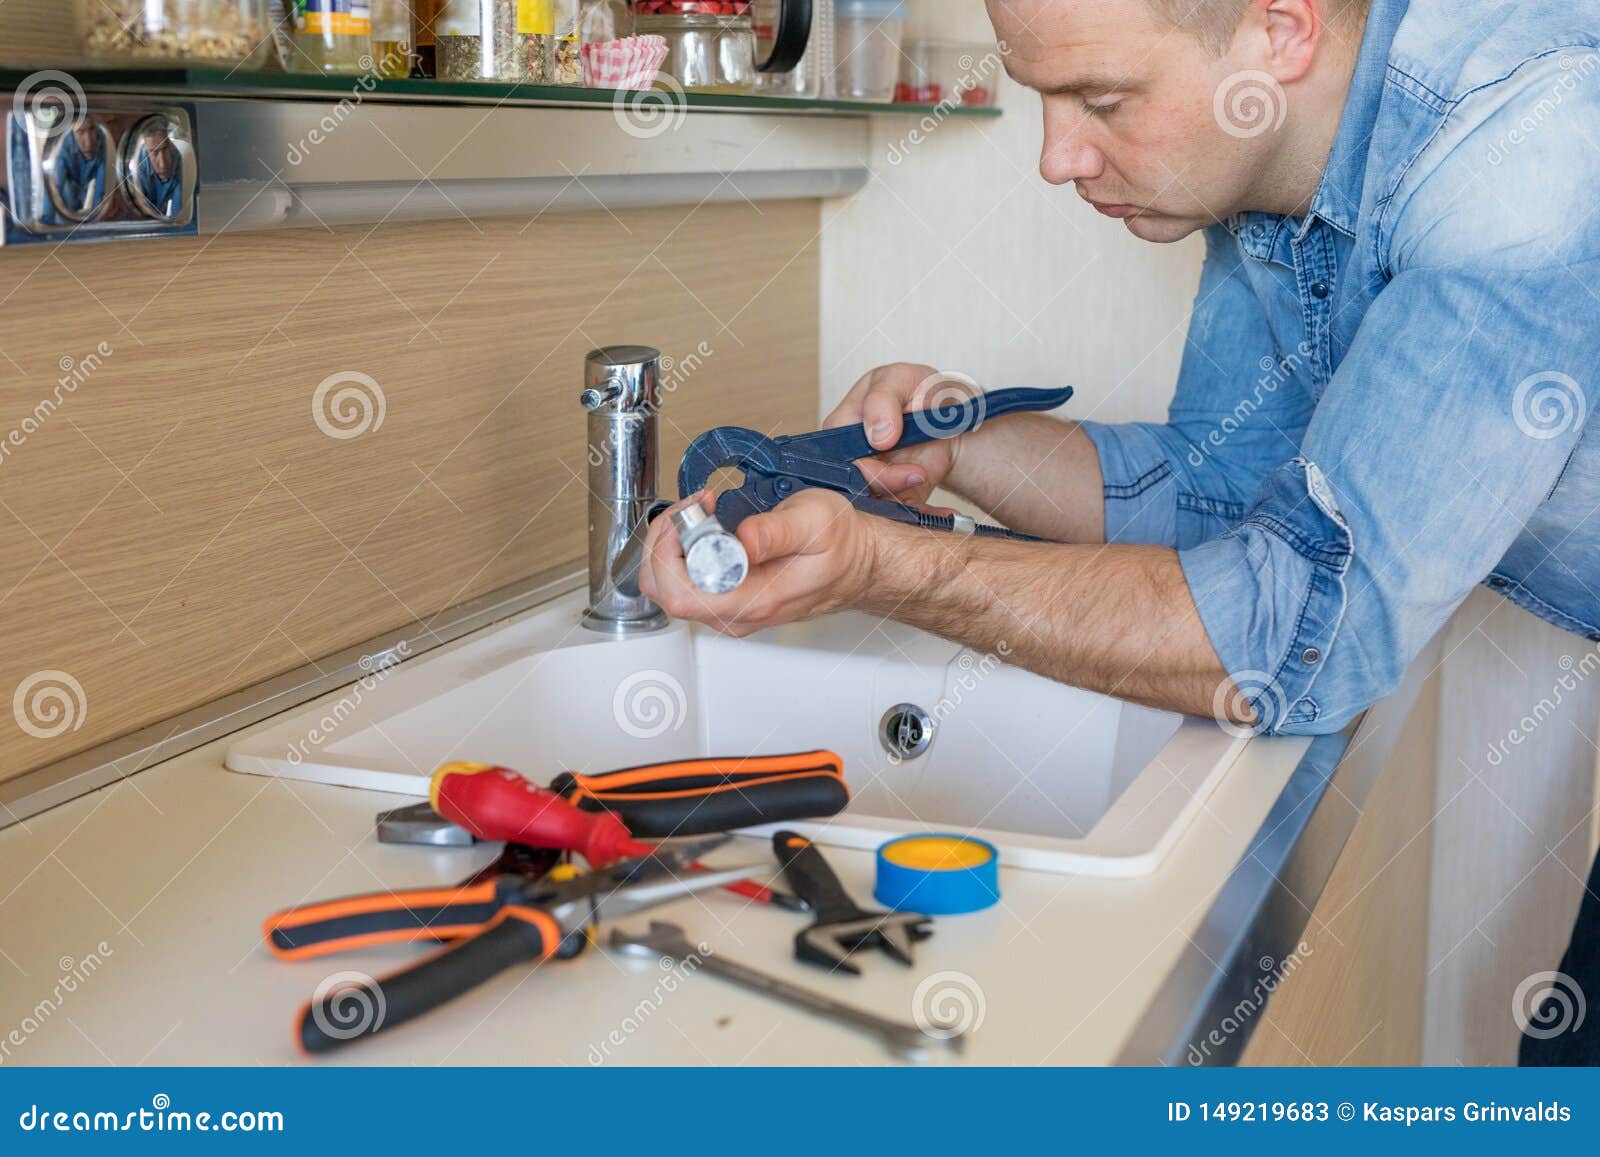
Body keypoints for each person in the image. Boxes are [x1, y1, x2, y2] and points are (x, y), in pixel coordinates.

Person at [640, 0, 1600, 1061]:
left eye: (1099, 101)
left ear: (1279, 31)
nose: (1056, 157)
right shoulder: (1277, 145)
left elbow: (1297, 634)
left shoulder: (1525, 144)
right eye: (1043, 99)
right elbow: (1227, 490)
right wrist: (958, 451)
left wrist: (886, 565)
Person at [47, 120, 107, 223]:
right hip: (69, 184)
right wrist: (46, 223)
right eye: (80, 132)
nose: (88, 141)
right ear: (73, 132)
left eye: (91, 129)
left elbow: (101, 191)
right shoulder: (63, 148)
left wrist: (96, 221)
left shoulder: (103, 141)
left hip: (87, 185)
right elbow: (55, 188)